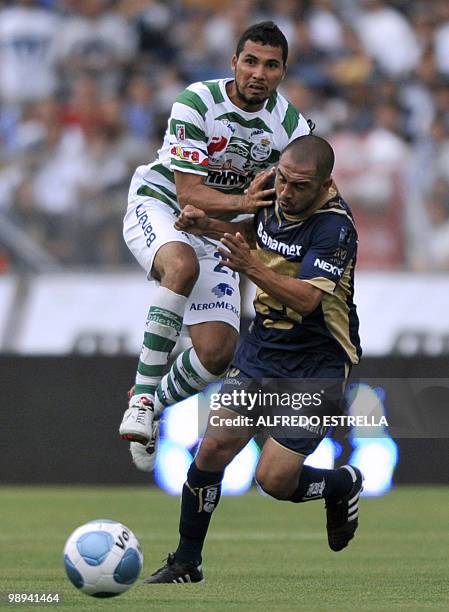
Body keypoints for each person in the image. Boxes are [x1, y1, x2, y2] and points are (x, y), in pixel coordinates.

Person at [143, 135, 363, 584]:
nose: (285, 192)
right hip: (262, 351)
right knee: (213, 449)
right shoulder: (271, 190)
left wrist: (252, 268)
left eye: (299, 186)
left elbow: (304, 300)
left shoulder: (335, 229)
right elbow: (249, 233)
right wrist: (204, 225)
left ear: (325, 186)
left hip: (314, 363)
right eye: (282, 179)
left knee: (274, 481)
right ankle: (187, 561)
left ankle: (341, 483)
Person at [119, 21, 311, 471]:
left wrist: (244, 225)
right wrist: (243, 203)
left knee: (219, 351)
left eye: (270, 65)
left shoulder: (291, 129)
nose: (258, 73)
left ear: (283, 72)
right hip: (161, 206)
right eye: (250, 62)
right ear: (234, 63)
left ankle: (152, 402)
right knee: (180, 266)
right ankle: (143, 399)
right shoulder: (196, 102)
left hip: (219, 230)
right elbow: (188, 194)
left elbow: (283, 209)